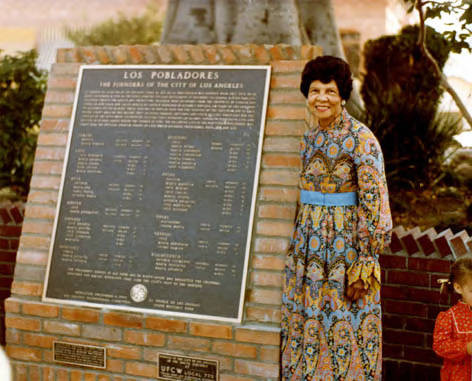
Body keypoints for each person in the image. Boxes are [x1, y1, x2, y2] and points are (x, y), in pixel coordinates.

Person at [280, 56, 392, 380]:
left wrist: (366, 260)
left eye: (330, 90)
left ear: (342, 94)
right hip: (307, 251)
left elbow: (374, 201)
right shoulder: (309, 139)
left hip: (346, 254)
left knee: (344, 326)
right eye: (315, 90)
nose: (321, 98)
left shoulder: (362, 139)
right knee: (306, 321)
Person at [433, 255, 472, 381]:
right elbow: (440, 345)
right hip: (459, 376)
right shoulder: (450, 317)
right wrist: (466, 348)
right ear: (458, 288)